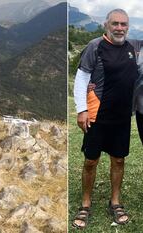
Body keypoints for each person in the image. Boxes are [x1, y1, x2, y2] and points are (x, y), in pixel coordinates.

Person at [72, 8, 142, 229]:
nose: (119, 28)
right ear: (106, 25)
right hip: (97, 115)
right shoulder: (95, 46)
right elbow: (82, 78)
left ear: (128, 27)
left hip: (122, 117)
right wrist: (81, 109)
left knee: (118, 160)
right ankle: (85, 204)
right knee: (90, 161)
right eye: (115, 24)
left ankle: (116, 201)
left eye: (123, 24)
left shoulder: (134, 47)